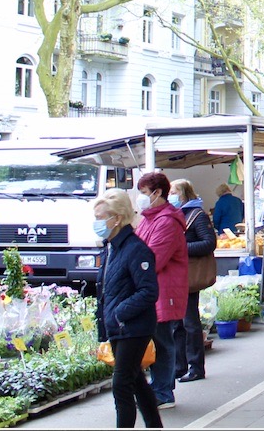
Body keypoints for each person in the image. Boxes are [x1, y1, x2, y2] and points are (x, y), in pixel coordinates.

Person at [92, 189, 163, 429]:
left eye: (101, 217)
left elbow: (149, 291)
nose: (97, 223)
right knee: (136, 381)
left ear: (117, 218)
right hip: (120, 327)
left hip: (134, 327)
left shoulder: (135, 249)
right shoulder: (111, 247)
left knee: (121, 385)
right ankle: (155, 425)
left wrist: (119, 313)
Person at [135, 171, 189, 410]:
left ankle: (163, 392)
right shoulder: (149, 218)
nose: (141, 198)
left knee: (162, 341)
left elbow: (152, 259)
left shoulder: (166, 221)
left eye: (144, 193)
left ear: (157, 193)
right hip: (152, 289)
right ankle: (159, 388)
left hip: (162, 289)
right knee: (158, 340)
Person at [169, 179, 216, 384]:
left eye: (174, 192)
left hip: (188, 276)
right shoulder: (177, 215)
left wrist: (181, 250)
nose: (170, 195)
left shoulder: (197, 215)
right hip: (176, 276)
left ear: (183, 194)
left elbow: (209, 243)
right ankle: (180, 366)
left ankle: (196, 366)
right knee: (176, 323)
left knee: (189, 322)